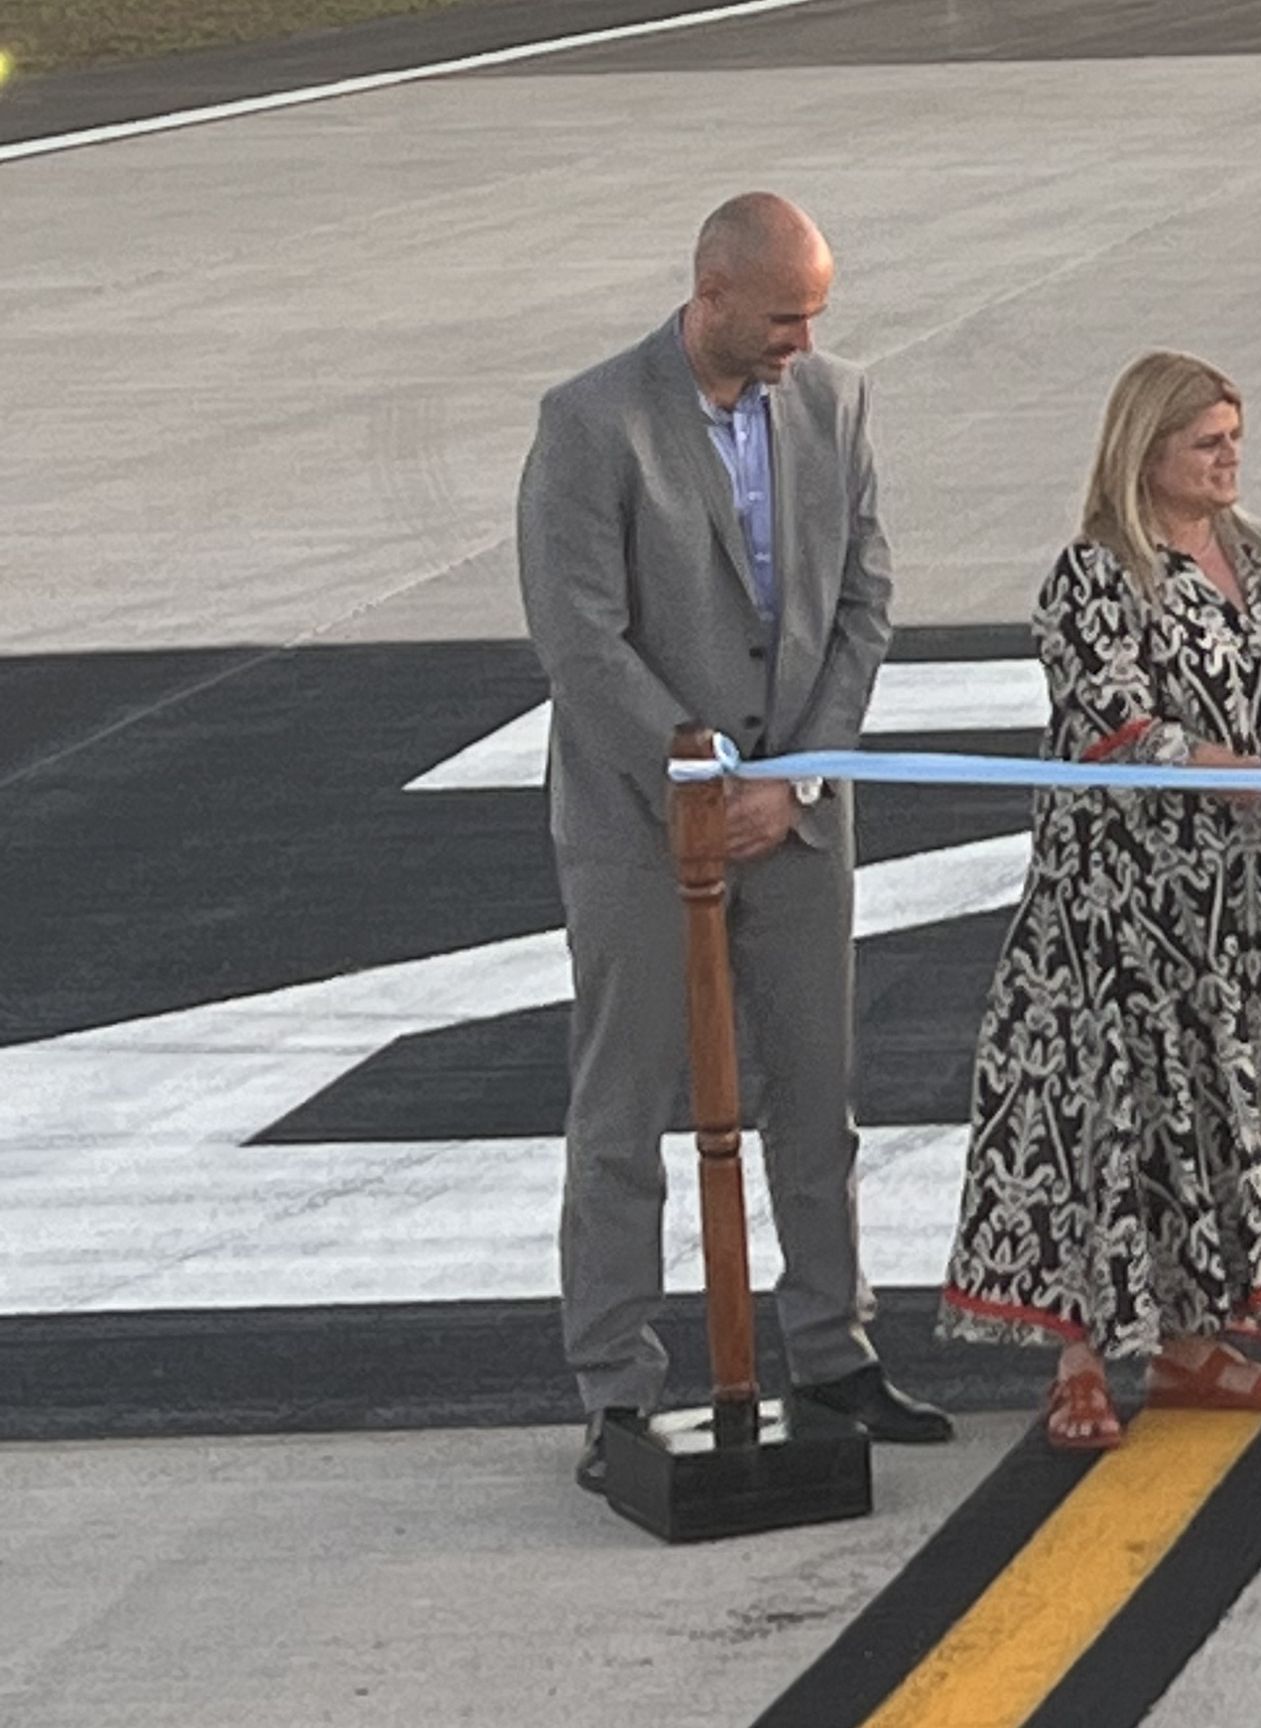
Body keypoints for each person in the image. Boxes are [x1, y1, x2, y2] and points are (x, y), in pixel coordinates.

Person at [517, 192, 949, 1493]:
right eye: (780, 318)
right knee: (626, 1105)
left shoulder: (835, 401)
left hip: (798, 819)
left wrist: (798, 778)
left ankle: (833, 1349)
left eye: (815, 317)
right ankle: (617, 1388)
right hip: (644, 824)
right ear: (709, 294)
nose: (802, 342)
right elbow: (579, 637)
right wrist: (699, 777)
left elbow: (865, 597)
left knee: (817, 1095)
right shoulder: (592, 424)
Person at [938, 351, 1261, 1448]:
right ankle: (1080, 1360)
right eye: (1207, 442)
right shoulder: (1094, 577)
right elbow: (1126, 733)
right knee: (1110, 1120)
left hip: (1256, 915)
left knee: (1222, 1114)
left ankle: (1194, 1340)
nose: (1229, 459)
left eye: (1234, 438)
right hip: (1125, 916)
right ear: (1144, 452)